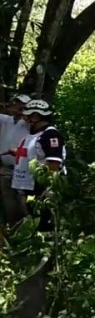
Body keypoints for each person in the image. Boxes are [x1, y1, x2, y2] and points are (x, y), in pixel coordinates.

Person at [12, 99, 67, 231]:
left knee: (43, 220)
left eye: (27, 115)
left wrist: (47, 187)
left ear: (36, 116)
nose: (24, 118)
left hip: (41, 187)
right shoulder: (32, 134)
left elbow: (54, 162)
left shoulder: (50, 134)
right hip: (29, 185)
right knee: (33, 217)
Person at [0, 93, 31, 226]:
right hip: (6, 168)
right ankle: (13, 230)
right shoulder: (6, 120)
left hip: (24, 169)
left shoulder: (30, 122)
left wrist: (25, 113)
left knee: (23, 201)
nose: (19, 106)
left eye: (22, 105)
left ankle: (28, 230)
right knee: (9, 202)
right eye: (16, 103)